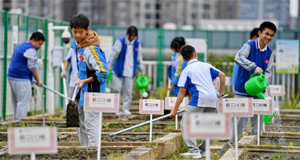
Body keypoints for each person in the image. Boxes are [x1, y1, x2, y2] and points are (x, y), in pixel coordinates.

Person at [219, 21, 277, 155]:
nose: (268, 38)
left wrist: (264, 82)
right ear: (259, 33)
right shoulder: (249, 45)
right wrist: (253, 66)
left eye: (271, 36)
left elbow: (269, 71)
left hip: (258, 89)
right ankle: (232, 143)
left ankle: (255, 144)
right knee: (239, 117)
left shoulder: (270, 52)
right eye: (266, 34)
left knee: (258, 117)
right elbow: (238, 57)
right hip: (243, 88)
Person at [170, 45, 225, 159]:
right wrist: (221, 92)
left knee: (186, 124)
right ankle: (204, 150)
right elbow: (222, 75)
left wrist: (174, 111)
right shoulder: (206, 65)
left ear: (184, 59)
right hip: (212, 98)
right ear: (195, 54)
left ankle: (194, 150)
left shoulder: (186, 70)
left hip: (199, 98)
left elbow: (181, 92)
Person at [70, 13, 108, 146]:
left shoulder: (91, 49)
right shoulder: (77, 46)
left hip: (93, 93)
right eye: (75, 32)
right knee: (80, 122)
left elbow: (103, 72)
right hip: (81, 93)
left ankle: (93, 152)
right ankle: (85, 150)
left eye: (81, 32)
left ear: (87, 30)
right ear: (71, 30)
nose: (78, 35)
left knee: (91, 124)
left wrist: (85, 81)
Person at [7, 32, 45, 121]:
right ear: (33, 40)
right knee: (23, 102)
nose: (40, 47)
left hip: (12, 77)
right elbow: (32, 67)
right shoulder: (30, 49)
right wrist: (38, 80)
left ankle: (16, 123)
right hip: (21, 78)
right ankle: (20, 124)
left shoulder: (22, 45)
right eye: (39, 44)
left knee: (16, 102)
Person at [107, 26, 144, 116]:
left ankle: (125, 108)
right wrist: (109, 63)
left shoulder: (137, 44)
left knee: (128, 91)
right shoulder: (120, 41)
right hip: (118, 70)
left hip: (130, 71)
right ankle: (115, 108)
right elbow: (114, 53)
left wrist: (141, 68)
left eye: (134, 36)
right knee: (116, 89)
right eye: (131, 36)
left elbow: (139, 57)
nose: (132, 38)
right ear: (128, 34)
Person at [231, 28, 260, 135]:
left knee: (246, 110)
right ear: (257, 37)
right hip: (244, 85)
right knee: (241, 111)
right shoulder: (248, 47)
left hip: (245, 84)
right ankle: (237, 134)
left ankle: (240, 132)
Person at [60, 40, 78, 114]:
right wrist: (64, 70)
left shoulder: (87, 49)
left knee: (80, 102)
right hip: (73, 81)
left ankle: (79, 118)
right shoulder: (72, 49)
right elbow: (68, 60)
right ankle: (66, 115)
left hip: (84, 81)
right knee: (69, 99)